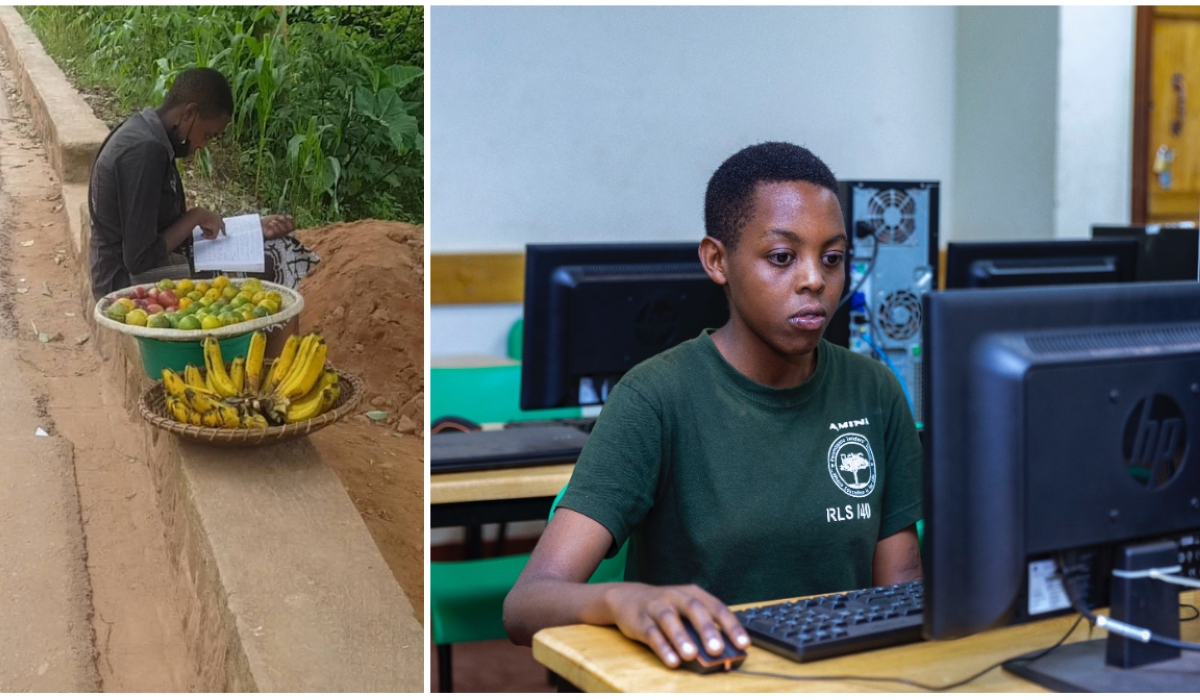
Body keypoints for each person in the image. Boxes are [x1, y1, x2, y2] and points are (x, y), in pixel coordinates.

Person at [503, 142, 923, 668]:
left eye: (832, 258)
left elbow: (900, 588)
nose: (815, 279)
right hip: (708, 679)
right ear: (717, 260)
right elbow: (526, 604)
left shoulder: (874, 390)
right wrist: (620, 600)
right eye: (782, 257)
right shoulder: (656, 397)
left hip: (847, 680)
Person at [88, 67, 297, 299]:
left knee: (275, 246)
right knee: (277, 261)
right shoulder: (146, 152)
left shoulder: (149, 133)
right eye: (208, 135)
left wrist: (250, 229)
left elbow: (158, 228)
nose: (203, 146)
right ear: (190, 113)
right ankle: (251, 336)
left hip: (131, 264)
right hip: (122, 282)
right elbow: (139, 258)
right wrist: (195, 216)